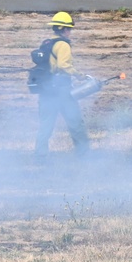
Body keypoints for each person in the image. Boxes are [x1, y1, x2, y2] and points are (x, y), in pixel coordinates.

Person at [35, 11, 89, 157]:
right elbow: (63, 65)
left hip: (46, 91)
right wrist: (80, 75)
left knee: (45, 126)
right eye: (69, 29)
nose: (70, 32)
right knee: (75, 123)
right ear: (64, 29)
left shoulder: (47, 44)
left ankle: (40, 156)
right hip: (62, 92)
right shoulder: (63, 45)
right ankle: (84, 155)